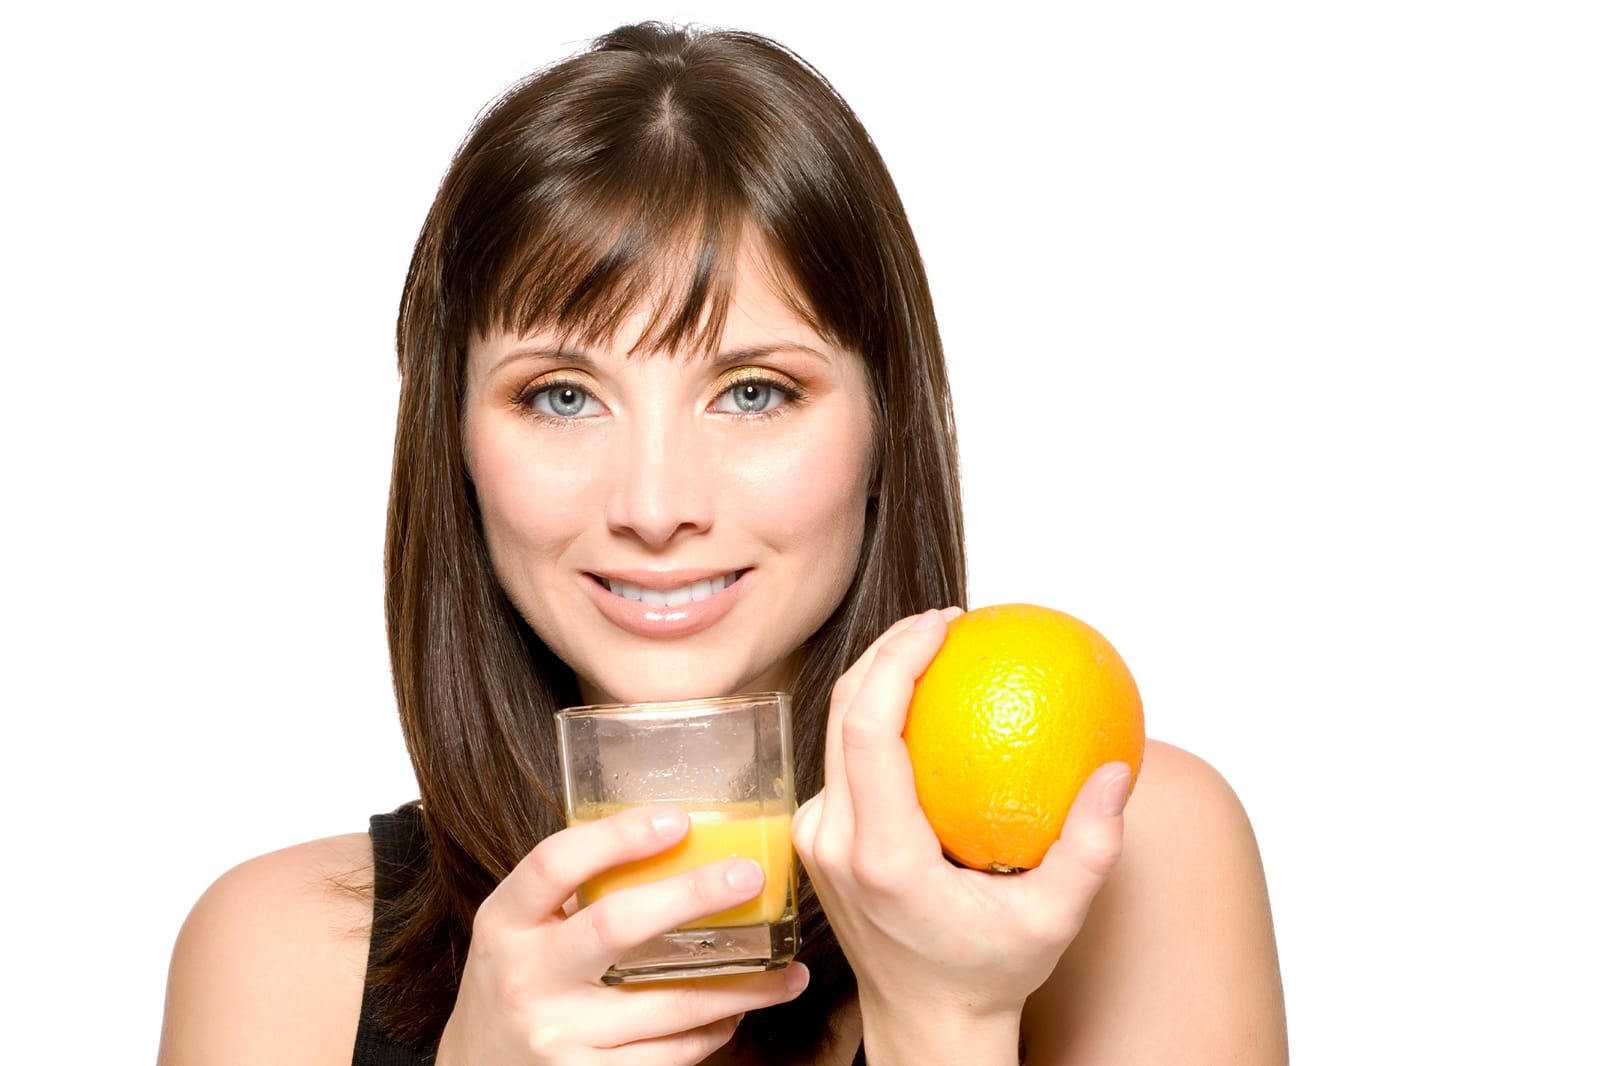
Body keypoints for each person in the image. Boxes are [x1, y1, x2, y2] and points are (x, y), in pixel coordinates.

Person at [157, 22, 1287, 1066]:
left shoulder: (1122, 852)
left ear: (884, 423)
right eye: (559, 396)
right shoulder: (276, 959)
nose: (655, 503)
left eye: (751, 391)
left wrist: (948, 1020)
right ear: (451, 442)